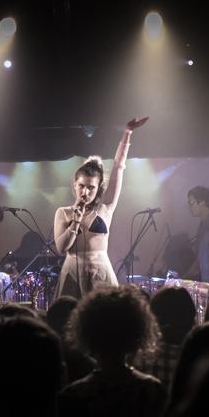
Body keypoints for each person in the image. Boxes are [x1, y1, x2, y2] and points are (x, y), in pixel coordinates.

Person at [53, 117, 148, 298]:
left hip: (101, 273)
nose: (85, 191)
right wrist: (76, 221)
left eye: (91, 187)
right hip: (73, 273)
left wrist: (127, 133)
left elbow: (118, 167)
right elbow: (61, 247)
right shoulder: (63, 213)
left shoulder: (106, 208)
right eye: (82, 186)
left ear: (98, 189)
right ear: (75, 185)